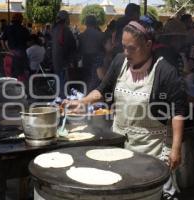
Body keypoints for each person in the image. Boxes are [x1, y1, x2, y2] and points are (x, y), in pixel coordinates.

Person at [64, 19, 186, 200]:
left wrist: (176, 149)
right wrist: (84, 101)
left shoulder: (165, 71)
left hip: (151, 151)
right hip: (120, 147)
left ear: (148, 44)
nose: (126, 52)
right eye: (124, 47)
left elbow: (178, 113)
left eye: (132, 48)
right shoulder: (120, 61)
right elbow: (102, 89)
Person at [51, 10, 76, 97]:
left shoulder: (54, 29)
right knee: (63, 80)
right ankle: (63, 99)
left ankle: (59, 97)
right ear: (66, 19)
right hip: (63, 60)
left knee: (59, 79)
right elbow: (73, 45)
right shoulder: (65, 29)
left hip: (56, 59)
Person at [79, 15, 105, 92]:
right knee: (96, 80)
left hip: (85, 59)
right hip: (97, 59)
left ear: (86, 23)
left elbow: (79, 49)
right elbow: (103, 48)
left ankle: (85, 95)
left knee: (87, 79)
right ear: (95, 23)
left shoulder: (81, 36)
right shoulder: (100, 35)